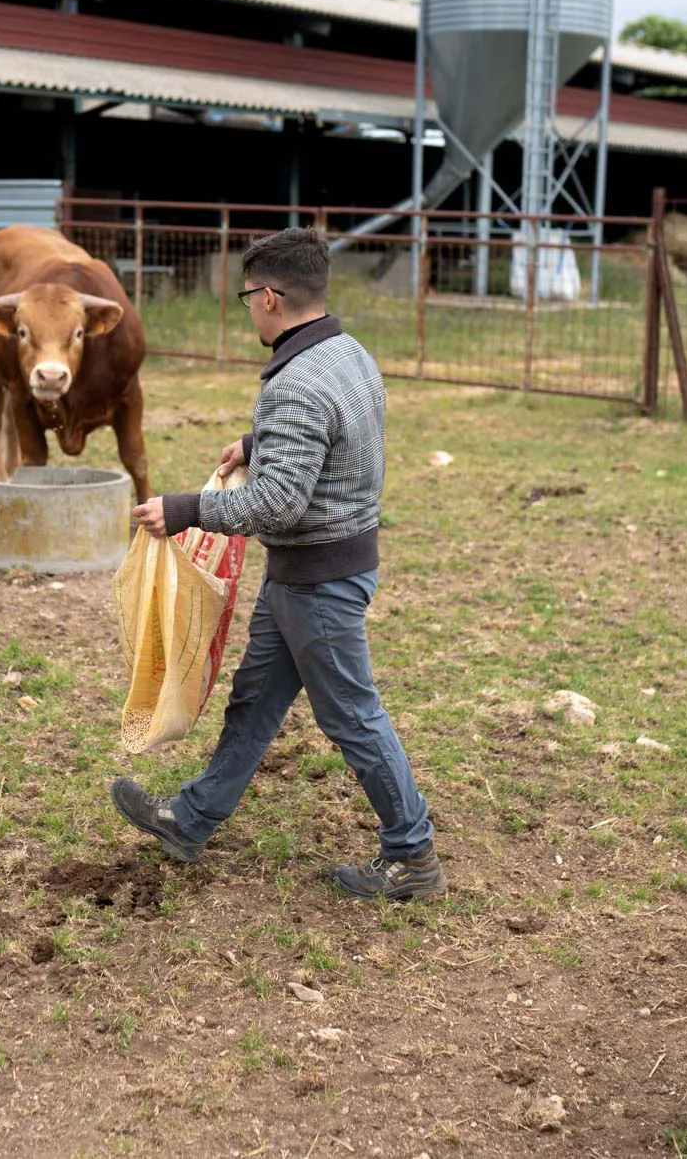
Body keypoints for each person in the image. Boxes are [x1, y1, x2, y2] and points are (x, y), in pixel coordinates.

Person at [113, 226, 443, 901]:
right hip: (317, 571)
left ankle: (412, 858)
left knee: (353, 717)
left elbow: (276, 506)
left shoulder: (294, 383)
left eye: (244, 298)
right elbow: (332, 430)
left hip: (318, 582)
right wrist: (253, 439)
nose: (245, 309)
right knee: (255, 702)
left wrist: (183, 510)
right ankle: (191, 818)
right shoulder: (346, 352)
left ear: (268, 297)